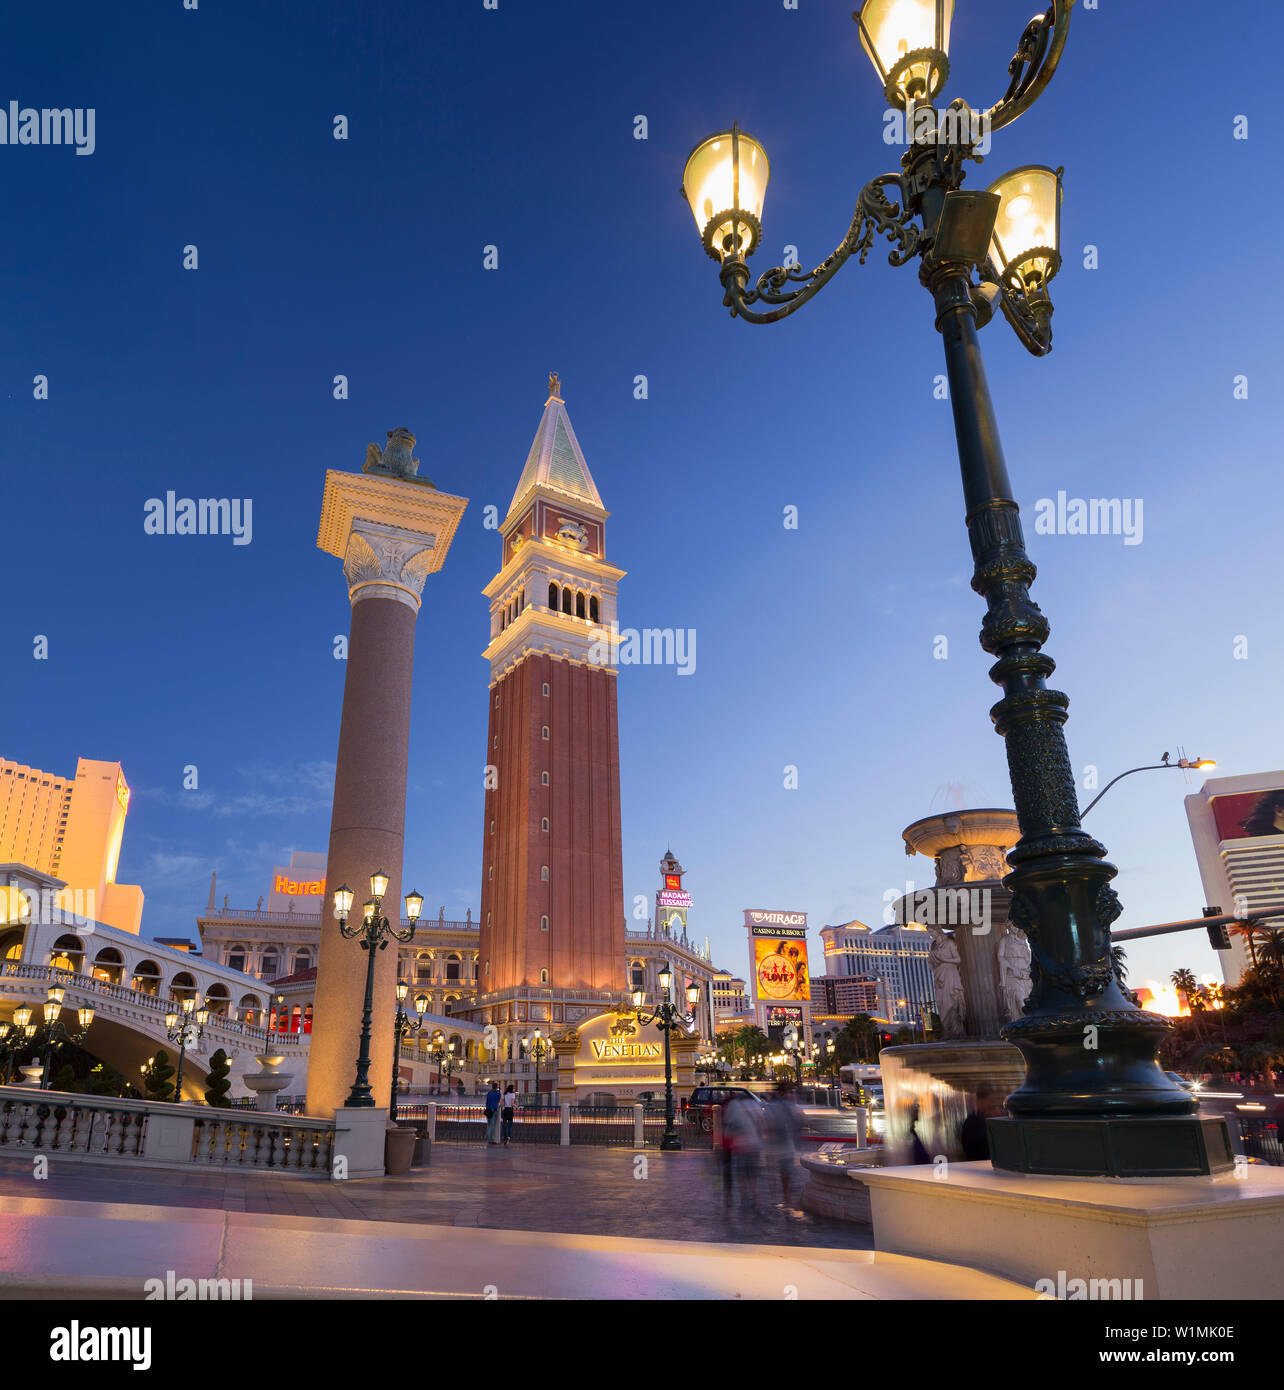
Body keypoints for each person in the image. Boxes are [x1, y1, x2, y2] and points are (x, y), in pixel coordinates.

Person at [722, 1092, 763, 1211]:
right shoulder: (754, 1104)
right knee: (753, 1176)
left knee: (742, 1175)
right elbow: (762, 1123)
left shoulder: (734, 1106)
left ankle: (744, 1200)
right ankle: (756, 1201)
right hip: (755, 1145)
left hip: (741, 1146)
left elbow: (729, 1126)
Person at [762, 1083, 801, 1208]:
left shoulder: (777, 1105)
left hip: (781, 1145)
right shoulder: (782, 1106)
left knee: (781, 1172)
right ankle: (784, 1197)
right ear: (782, 1093)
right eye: (789, 1092)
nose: (791, 1095)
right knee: (783, 1172)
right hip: (781, 1145)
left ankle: (782, 1197)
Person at [959, 1083, 1002, 1161]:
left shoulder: (976, 1121)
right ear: (979, 1102)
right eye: (991, 1104)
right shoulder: (972, 1124)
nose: (993, 1105)